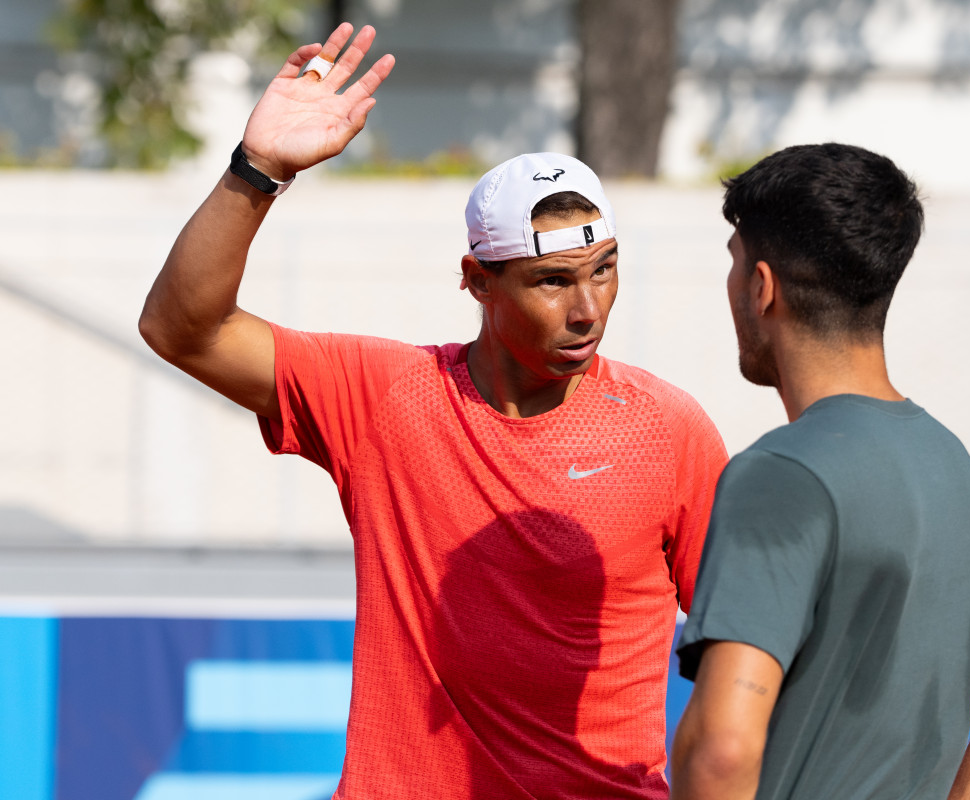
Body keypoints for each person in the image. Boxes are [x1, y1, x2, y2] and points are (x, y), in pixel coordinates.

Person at [138, 23, 727, 800]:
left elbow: (748, 653)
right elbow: (182, 330)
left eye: (605, 270)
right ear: (477, 281)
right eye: (552, 281)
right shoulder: (384, 395)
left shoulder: (668, 430)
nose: (589, 308)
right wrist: (259, 170)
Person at [669, 143, 970, 800]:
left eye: (734, 265)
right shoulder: (958, 478)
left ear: (761, 286)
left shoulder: (778, 475)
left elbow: (722, 751)